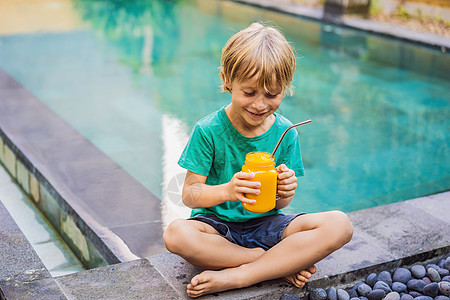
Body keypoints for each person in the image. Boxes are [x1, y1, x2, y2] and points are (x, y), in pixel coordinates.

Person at [163, 22, 353, 298]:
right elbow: (190, 195)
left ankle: (239, 275)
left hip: (266, 225)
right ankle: (272, 263)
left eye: (272, 94)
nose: (260, 105)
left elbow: (281, 205)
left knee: (339, 224)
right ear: (227, 80)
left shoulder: (286, 133)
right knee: (176, 234)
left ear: (286, 88)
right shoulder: (209, 131)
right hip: (216, 229)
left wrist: (284, 191)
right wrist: (228, 190)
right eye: (249, 93)